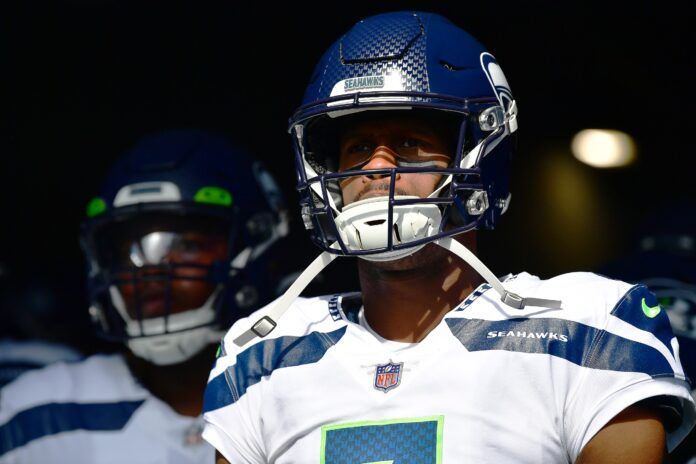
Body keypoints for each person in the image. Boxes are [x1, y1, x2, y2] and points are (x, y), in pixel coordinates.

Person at [202, 12, 695, 463]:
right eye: (357, 147)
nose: (376, 167)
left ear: (480, 157)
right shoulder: (264, 352)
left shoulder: (588, 329)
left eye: (409, 143)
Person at [0, 130, 291, 463]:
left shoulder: (322, 388)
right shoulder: (34, 415)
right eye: (127, 251)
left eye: (187, 245)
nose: (149, 271)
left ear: (258, 245)